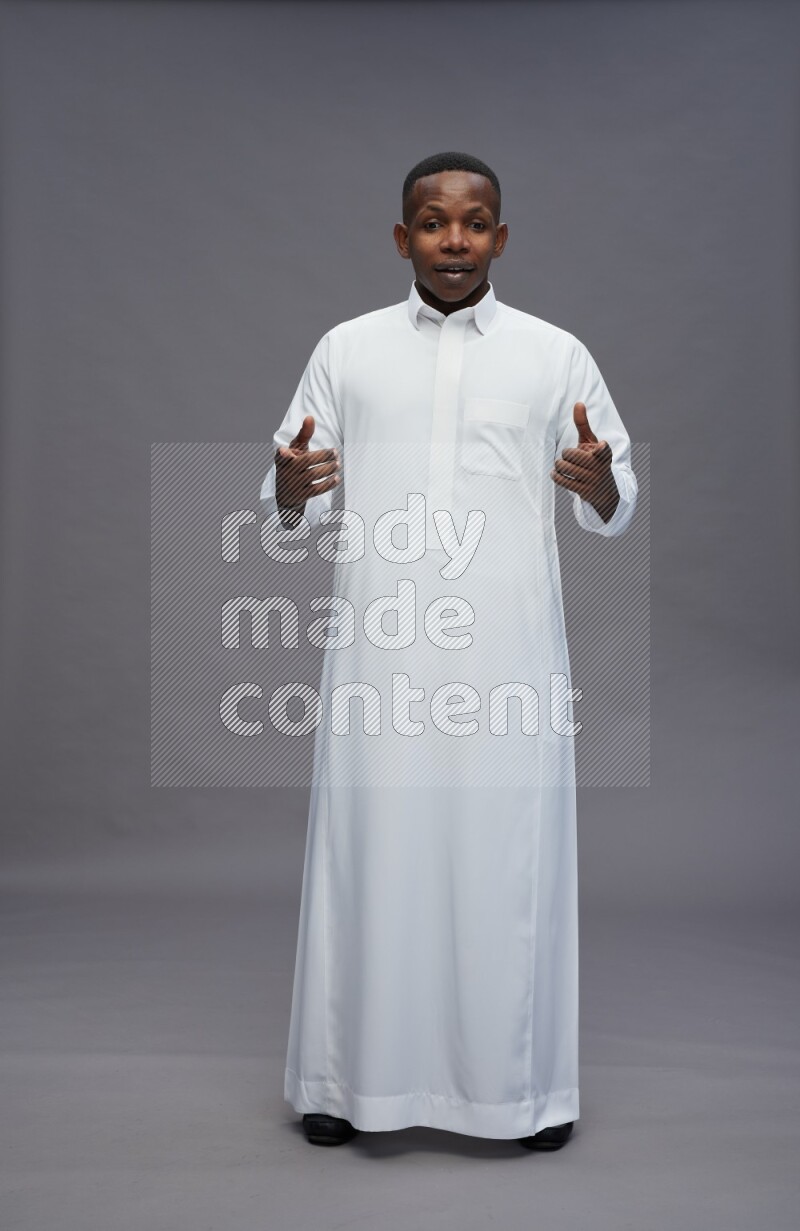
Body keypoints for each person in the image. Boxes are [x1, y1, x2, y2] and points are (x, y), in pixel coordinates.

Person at [259, 151, 637, 1150]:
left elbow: (614, 499)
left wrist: (598, 482)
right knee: (368, 855)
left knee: (504, 863)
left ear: (500, 238)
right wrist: (290, 489)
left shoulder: (555, 355)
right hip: (380, 653)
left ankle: (522, 1093)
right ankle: (342, 1082)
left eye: (473, 223)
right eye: (432, 222)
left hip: (506, 658)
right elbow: (292, 494)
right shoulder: (346, 349)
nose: (454, 240)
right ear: (402, 239)